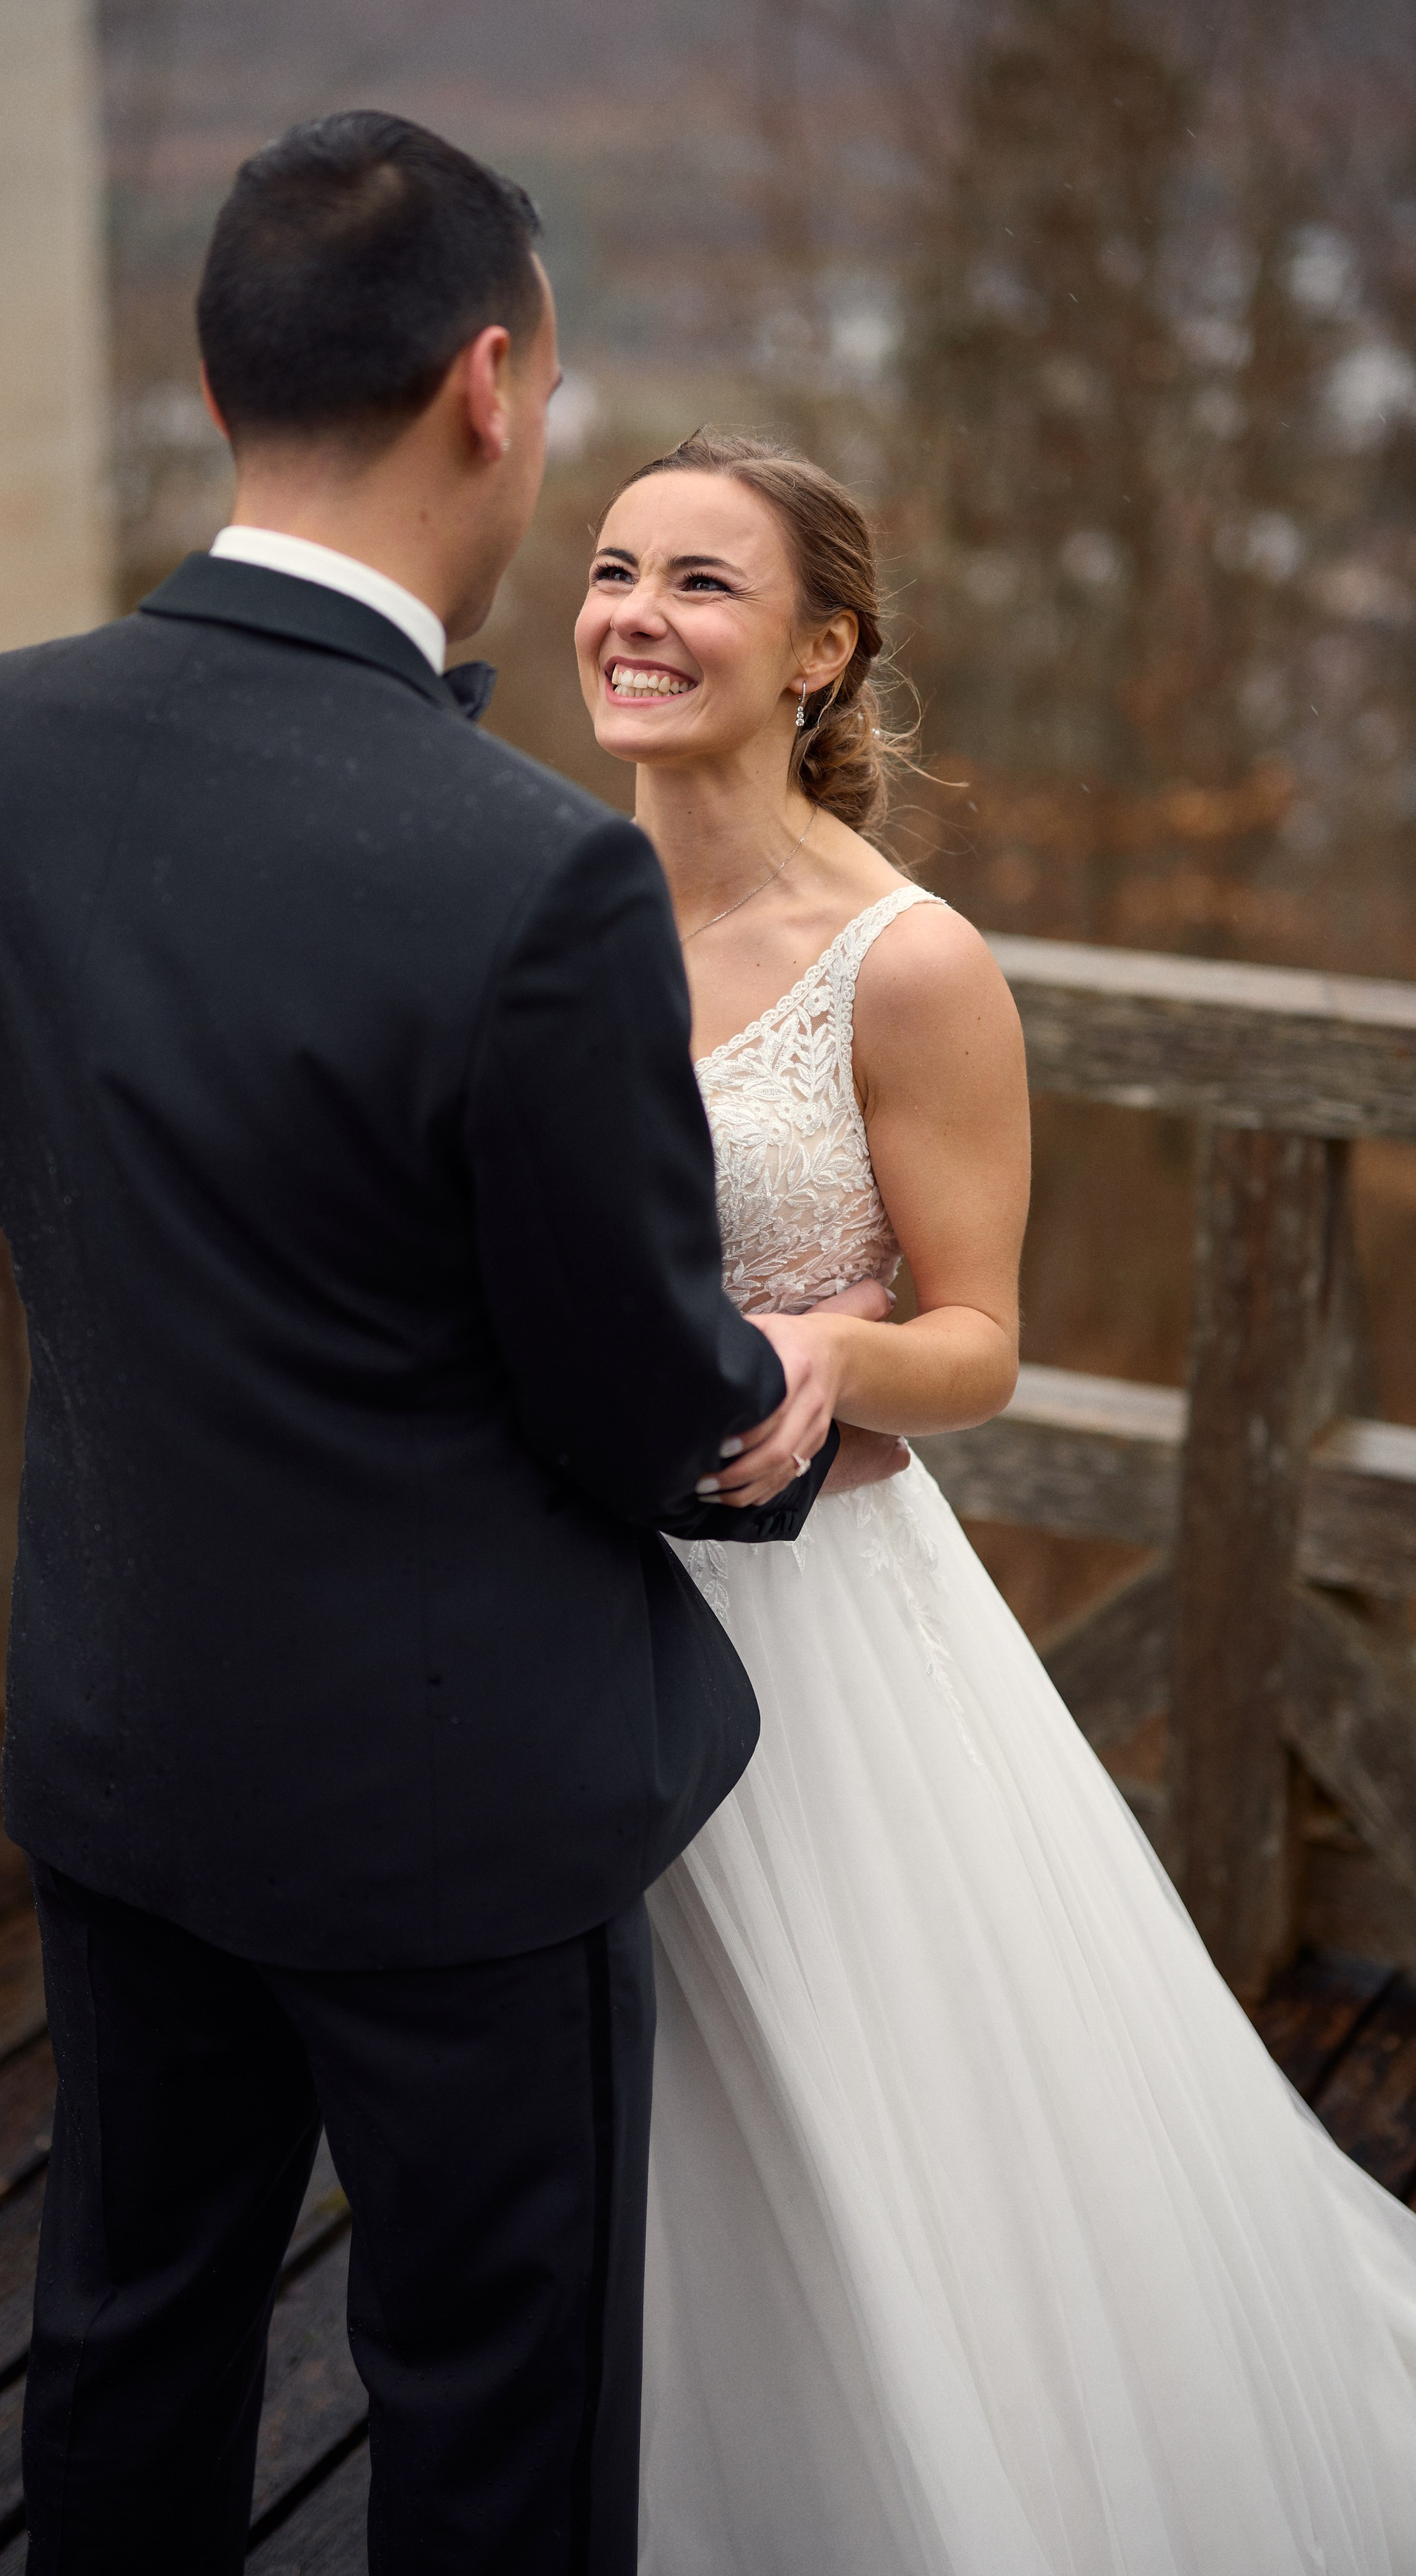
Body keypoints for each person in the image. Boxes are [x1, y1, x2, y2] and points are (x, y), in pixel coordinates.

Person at [0, 115, 868, 2575]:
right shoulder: (524, 871)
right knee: (488, 2412)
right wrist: (786, 1376)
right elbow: (654, 1417)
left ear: (221, 380)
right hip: (457, 1816)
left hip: (118, 1729)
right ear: (494, 386)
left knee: (126, 2339)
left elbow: (76, 1194)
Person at [573, 426, 1416, 2575]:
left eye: (700, 585)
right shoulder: (535, 899)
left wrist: (841, 1356)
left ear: (819, 654)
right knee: (625, 2125)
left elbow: (984, 1342)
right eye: (612, 569)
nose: (634, 619)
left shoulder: (909, 963)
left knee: (860, 2138)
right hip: (556, 1599)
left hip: (811, 1633)